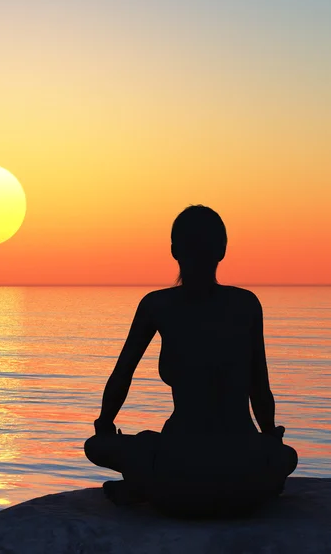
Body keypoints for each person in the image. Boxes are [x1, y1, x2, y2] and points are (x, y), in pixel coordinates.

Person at [84, 204, 298, 519]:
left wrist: (104, 425)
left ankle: (141, 487)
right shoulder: (246, 304)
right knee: (286, 456)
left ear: (174, 250)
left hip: (178, 472)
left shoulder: (156, 306)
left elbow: (122, 376)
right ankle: (259, 483)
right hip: (241, 478)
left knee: (97, 447)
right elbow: (260, 390)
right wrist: (269, 438)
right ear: (222, 250)